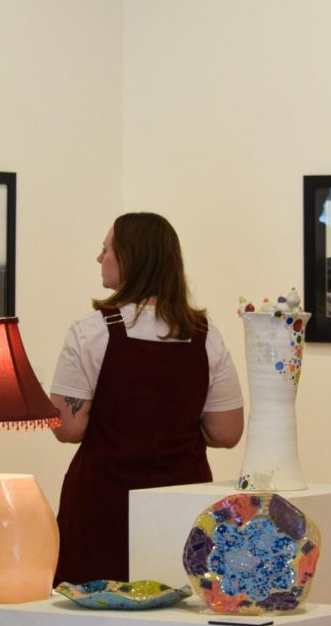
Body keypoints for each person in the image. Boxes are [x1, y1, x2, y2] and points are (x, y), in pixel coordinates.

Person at [49, 211, 245, 584]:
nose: (99, 258)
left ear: (131, 258)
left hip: (102, 502)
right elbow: (226, 431)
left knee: (93, 623)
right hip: (181, 501)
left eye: (106, 249)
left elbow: (68, 428)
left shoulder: (90, 332)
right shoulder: (205, 335)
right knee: (177, 621)